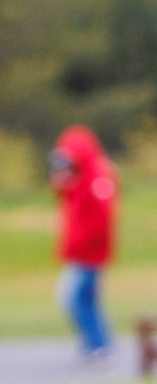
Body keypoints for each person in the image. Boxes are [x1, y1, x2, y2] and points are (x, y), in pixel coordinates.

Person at [49, 124, 119, 362]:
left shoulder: (98, 177)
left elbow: (102, 218)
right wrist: (63, 185)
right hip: (80, 252)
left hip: (90, 254)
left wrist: (86, 246)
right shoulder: (81, 180)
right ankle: (96, 344)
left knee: (76, 298)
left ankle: (99, 345)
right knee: (82, 299)